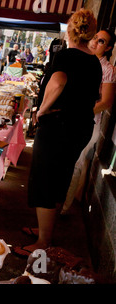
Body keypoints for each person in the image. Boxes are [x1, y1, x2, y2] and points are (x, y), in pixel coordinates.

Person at [14, 9, 102, 258]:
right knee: (60, 179)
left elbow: (59, 82)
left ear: (71, 29)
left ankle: (43, 243)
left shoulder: (67, 56)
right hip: (80, 126)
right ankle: (45, 232)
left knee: (45, 180)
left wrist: (42, 109)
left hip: (59, 125)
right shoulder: (93, 60)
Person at [62, 29, 116, 214]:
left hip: (89, 123)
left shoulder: (107, 69)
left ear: (108, 47)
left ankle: (62, 208)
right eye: (94, 37)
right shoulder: (81, 59)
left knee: (74, 164)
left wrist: (80, 112)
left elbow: (107, 102)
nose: (95, 42)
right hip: (68, 120)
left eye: (101, 41)